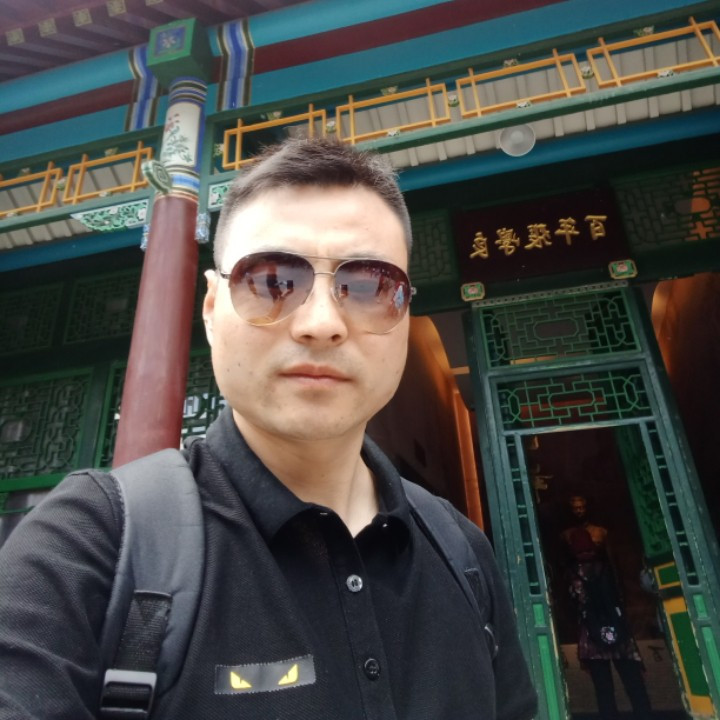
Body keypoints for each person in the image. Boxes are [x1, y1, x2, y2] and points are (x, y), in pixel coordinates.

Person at [0, 138, 537, 720]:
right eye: (272, 280)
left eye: (368, 286)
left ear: (406, 313)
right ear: (211, 308)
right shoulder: (91, 543)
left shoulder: (462, 551)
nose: (321, 323)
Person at [561, 495, 651, 720]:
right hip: (617, 630)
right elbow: (616, 596)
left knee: (604, 691)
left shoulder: (575, 577)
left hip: (592, 635)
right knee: (634, 685)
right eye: (575, 507)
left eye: (582, 506)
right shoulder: (604, 573)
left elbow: (578, 606)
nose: (579, 510)